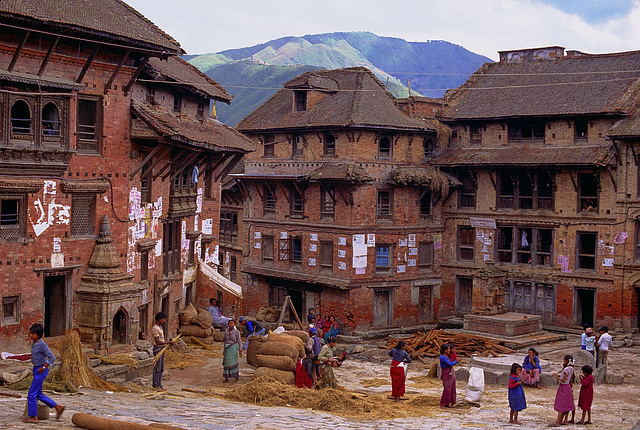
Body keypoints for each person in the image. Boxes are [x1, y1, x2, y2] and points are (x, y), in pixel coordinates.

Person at [22, 323, 65, 424]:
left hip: (41, 370)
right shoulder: (33, 343)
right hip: (36, 369)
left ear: (38, 335)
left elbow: (52, 357)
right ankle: (58, 407)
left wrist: (44, 367)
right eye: (30, 333)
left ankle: (33, 417)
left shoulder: (42, 344)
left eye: (33, 334)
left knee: (31, 394)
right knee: (38, 394)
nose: (31, 335)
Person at [550, 354, 575, 427]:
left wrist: (556, 377)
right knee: (566, 404)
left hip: (563, 387)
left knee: (561, 404)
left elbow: (563, 380)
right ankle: (563, 420)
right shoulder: (571, 368)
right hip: (568, 387)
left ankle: (557, 422)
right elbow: (570, 379)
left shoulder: (566, 369)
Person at [151, 312, 174, 391]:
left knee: (161, 368)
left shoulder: (160, 327)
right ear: (159, 319)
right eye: (163, 319)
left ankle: (159, 384)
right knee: (157, 367)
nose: (164, 321)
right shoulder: (155, 328)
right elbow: (158, 342)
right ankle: (156, 385)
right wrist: (168, 342)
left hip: (162, 348)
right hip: (157, 349)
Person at [439, 343, 458, 408]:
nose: (449, 350)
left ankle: (450, 402)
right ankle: (444, 403)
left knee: (452, 387)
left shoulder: (448, 356)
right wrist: (456, 361)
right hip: (446, 373)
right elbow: (450, 364)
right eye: (448, 349)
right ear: (445, 350)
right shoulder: (442, 357)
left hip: (450, 372)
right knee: (447, 388)